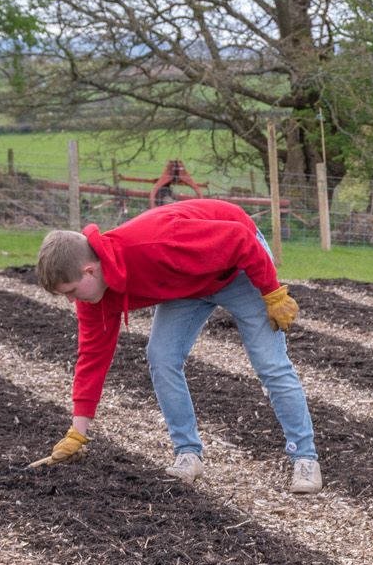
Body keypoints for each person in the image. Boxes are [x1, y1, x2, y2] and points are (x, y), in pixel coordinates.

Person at [30, 197, 323, 493]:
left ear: (90, 270)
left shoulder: (153, 244)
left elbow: (240, 238)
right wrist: (77, 433)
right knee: (162, 356)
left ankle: (305, 458)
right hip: (188, 284)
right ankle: (188, 454)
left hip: (238, 267)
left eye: (70, 291)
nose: (71, 300)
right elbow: (92, 358)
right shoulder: (93, 299)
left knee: (269, 363)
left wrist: (272, 293)